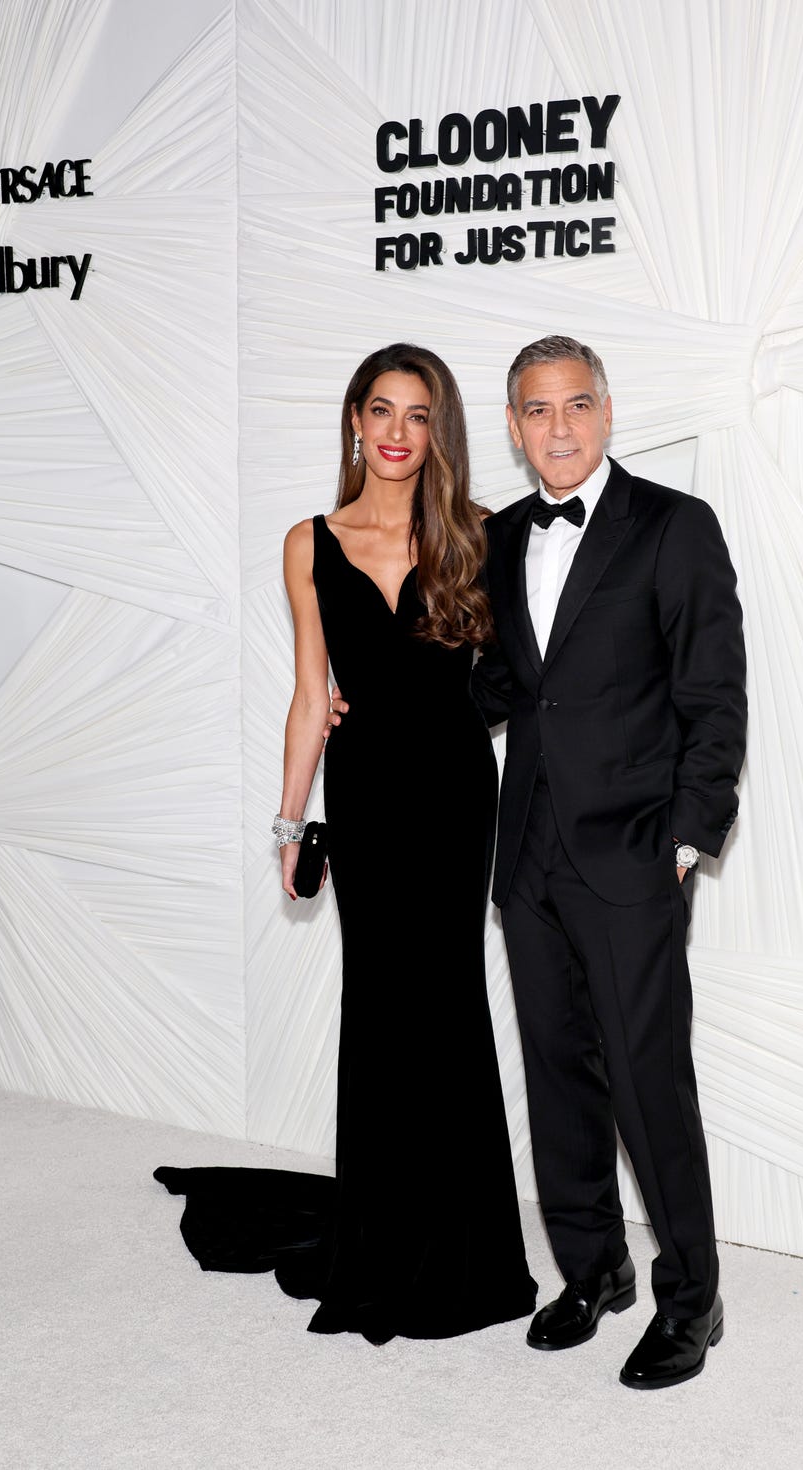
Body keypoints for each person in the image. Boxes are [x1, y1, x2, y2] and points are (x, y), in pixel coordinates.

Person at [156, 343, 536, 1346]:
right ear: (354, 423)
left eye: (417, 415)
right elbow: (306, 693)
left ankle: (462, 1249)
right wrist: (289, 822)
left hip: (455, 792)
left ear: (436, 430)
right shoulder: (307, 541)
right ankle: (377, 1237)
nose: (398, 433)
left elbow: (518, 680)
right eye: (381, 411)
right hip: (362, 793)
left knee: (447, 1003)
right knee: (377, 1003)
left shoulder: (479, 535)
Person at [470, 335, 747, 1388]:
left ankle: (692, 1296)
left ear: (606, 409)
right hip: (528, 853)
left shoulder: (673, 527)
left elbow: (712, 695)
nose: (558, 428)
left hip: (633, 853)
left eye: (575, 405)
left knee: (647, 1083)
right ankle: (591, 1271)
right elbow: (502, 686)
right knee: (555, 1075)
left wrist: (684, 838)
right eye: (536, 411)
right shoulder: (500, 535)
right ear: (512, 425)